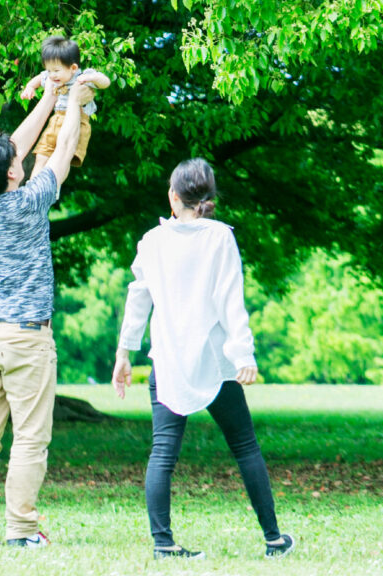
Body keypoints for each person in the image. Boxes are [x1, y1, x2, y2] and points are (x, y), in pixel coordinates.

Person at [111, 158, 296, 560]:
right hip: (213, 361)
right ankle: (273, 539)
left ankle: (163, 544)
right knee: (245, 446)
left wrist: (125, 352)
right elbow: (230, 299)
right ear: (208, 197)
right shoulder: (219, 237)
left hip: (168, 360)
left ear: (173, 197)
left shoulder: (152, 240)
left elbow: (138, 297)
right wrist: (243, 353)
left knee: (163, 452)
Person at [0, 76, 92, 547]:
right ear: (13, 175)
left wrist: (50, 96)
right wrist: (72, 105)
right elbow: (63, 150)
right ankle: (21, 531)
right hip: (26, 340)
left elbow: (12, 151)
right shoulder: (31, 201)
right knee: (30, 440)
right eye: (15, 161)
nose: (19, 156)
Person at [20, 35, 110, 178]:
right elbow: (39, 78)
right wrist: (30, 87)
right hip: (57, 120)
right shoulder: (52, 78)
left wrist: (92, 78)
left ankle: (54, 185)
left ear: (73, 68)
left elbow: (106, 82)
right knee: (42, 155)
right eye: (49, 70)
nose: (51, 75)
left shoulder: (83, 77)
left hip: (78, 122)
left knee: (64, 158)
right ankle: (33, 183)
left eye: (56, 70)